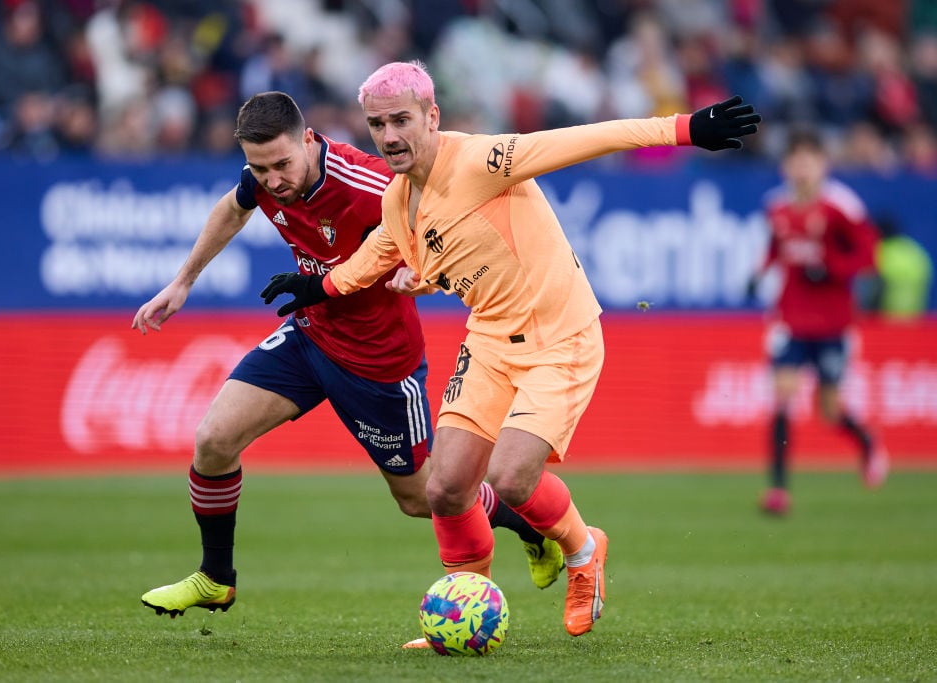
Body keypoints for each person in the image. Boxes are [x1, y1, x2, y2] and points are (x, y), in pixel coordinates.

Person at [260, 60, 761, 640]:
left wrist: (682, 130)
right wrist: (317, 286)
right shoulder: (399, 199)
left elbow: (581, 140)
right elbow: (374, 258)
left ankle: (582, 551)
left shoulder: (479, 160)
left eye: (402, 120)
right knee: (446, 488)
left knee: (512, 478)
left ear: (432, 116)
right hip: (492, 339)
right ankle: (459, 612)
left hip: (561, 336)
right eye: (378, 124)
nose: (390, 136)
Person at [131, 91, 565, 621]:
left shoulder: (371, 185)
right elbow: (233, 207)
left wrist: (420, 275)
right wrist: (182, 282)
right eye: (259, 168)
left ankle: (532, 528)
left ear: (309, 141)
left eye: (282, 164)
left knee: (423, 498)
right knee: (214, 441)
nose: (272, 180)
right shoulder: (264, 179)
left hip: (380, 364)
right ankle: (216, 578)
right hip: (309, 337)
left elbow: (444, 231)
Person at [748, 128, 889, 517]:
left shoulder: (841, 206)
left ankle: (867, 443)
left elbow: (868, 256)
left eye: (809, 159)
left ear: (822, 164)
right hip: (790, 316)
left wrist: (831, 269)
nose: (802, 167)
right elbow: (775, 249)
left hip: (832, 321)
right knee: (783, 396)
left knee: (828, 409)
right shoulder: (775, 207)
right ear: (786, 166)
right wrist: (759, 273)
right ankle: (778, 490)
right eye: (796, 159)